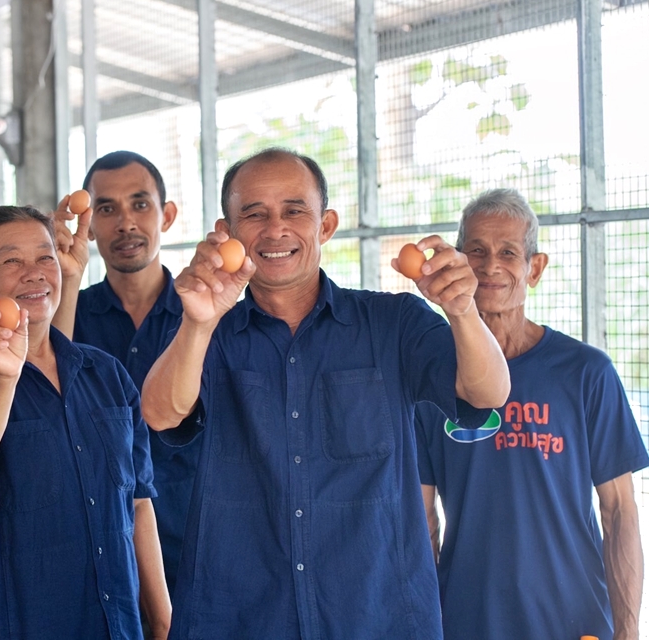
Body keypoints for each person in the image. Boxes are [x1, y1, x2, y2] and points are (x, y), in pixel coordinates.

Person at [139, 147, 510, 638]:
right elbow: (161, 413)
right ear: (227, 232)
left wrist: (463, 311)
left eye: (295, 210)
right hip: (239, 617)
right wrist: (198, 323)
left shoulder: (393, 323)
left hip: (377, 617)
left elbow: (487, 393)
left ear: (326, 225)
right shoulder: (209, 333)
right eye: (255, 214)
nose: (275, 230)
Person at [0, 205, 171, 639]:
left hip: (114, 625)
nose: (34, 273)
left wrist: (163, 619)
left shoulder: (107, 374)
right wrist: (4, 375)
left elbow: (138, 502)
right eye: (12, 261)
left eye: (45, 257)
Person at [415, 188, 647, 640]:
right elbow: (422, 521)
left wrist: (628, 631)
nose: (490, 266)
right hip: (468, 621)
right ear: (456, 264)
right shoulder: (432, 376)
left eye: (508, 252)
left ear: (534, 268)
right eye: (476, 251)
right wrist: (427, 622)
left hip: (575, 622)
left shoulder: (585, 372)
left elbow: (619, 511)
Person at [53, 150, 199, 596]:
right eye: (106, 209)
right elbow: (46, 384)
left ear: (166, 215)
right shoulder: (69, 314)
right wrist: (67, 279)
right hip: (97, 552)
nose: (126, 223)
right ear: (88, 226)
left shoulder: (203, 314)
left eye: (140, 204)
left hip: (196, 543)